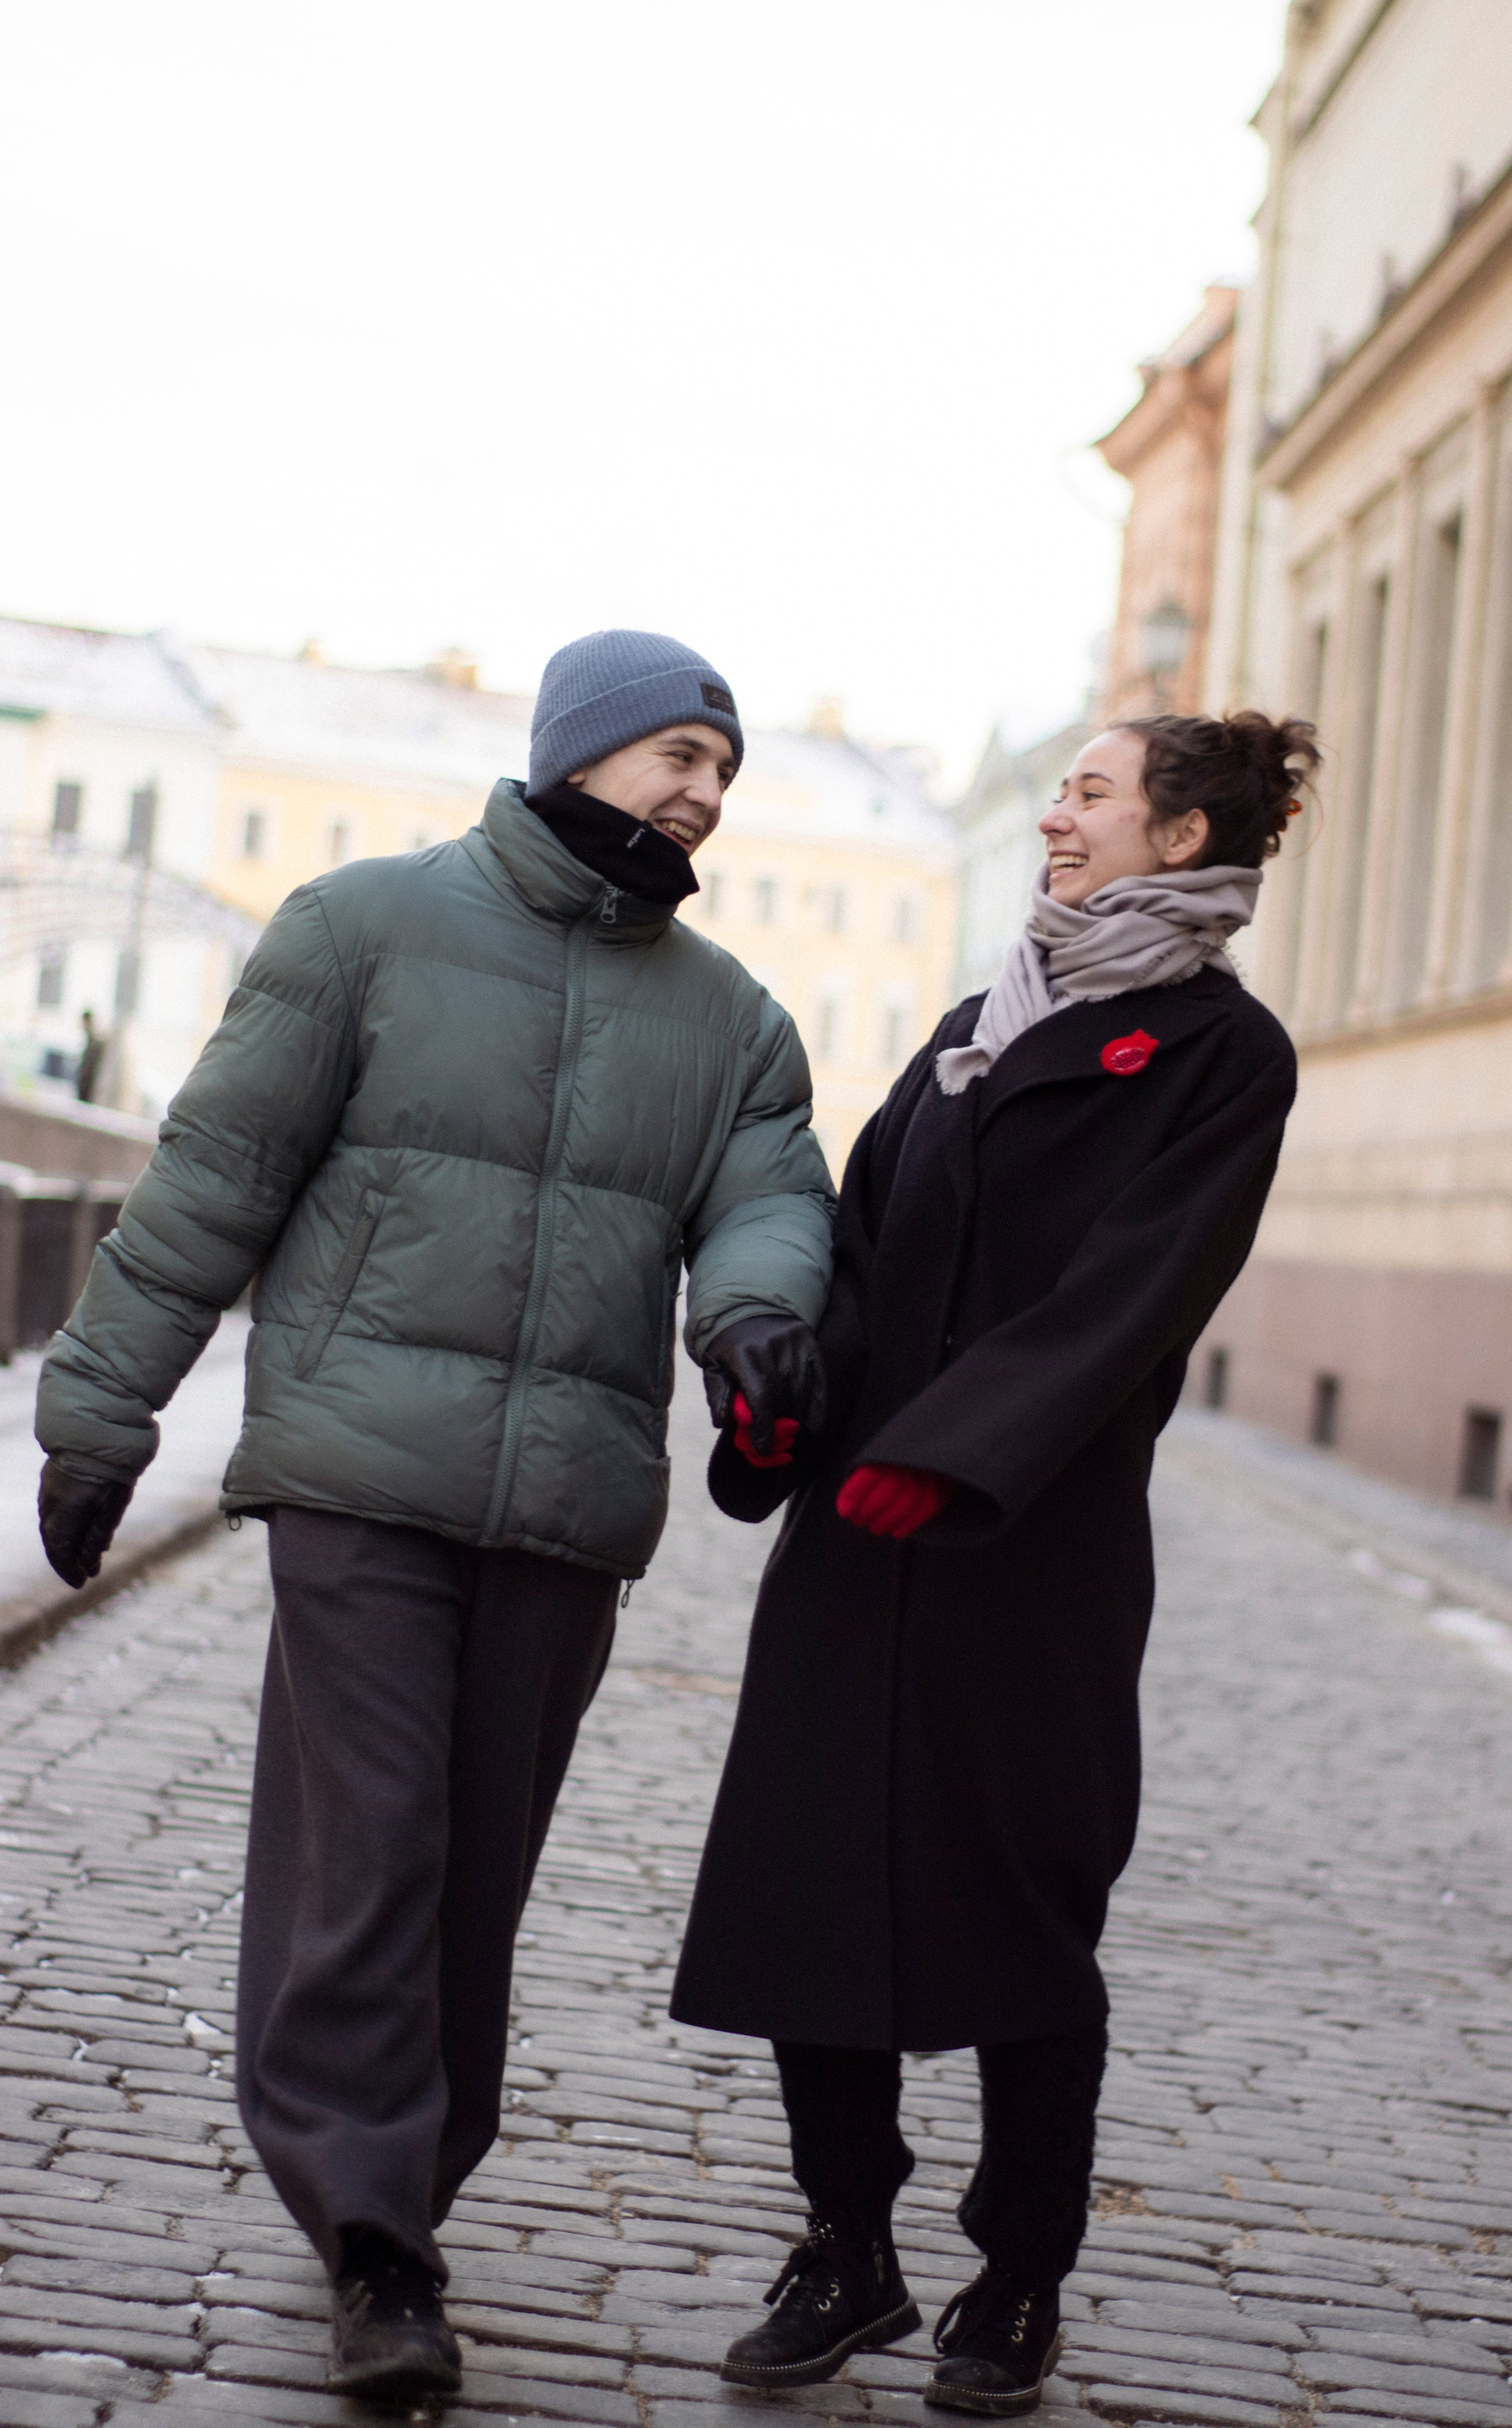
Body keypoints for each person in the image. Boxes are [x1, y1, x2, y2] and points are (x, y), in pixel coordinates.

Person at [33, 629, 836, 2404]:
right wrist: (97, 1412)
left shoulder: (732, 1020)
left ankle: (409, 2182)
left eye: (725, 768)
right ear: (579, 749)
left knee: (477, 1869)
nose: (704, 791)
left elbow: (771, 1200)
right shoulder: (361, 930)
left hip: (564, 1506)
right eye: (679, 753)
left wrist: (757, 1321)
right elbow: (213, 1180)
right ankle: (374, 2229)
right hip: (360, 1482)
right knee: (378, 1837)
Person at [673, 710, 1315, 2415]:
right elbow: (864, 1241)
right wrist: (789, 1407)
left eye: (1092, 793)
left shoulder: (1226, 1056)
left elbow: (1133, 1296)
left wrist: (960, 1453)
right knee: (814, 1891)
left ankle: (1019, 2274)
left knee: (1025, 1917)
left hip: (1032, 1548)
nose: (1057, 818)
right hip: (854, 1538)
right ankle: (847, 2249)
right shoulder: (978, 1026)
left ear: (1182, 837)